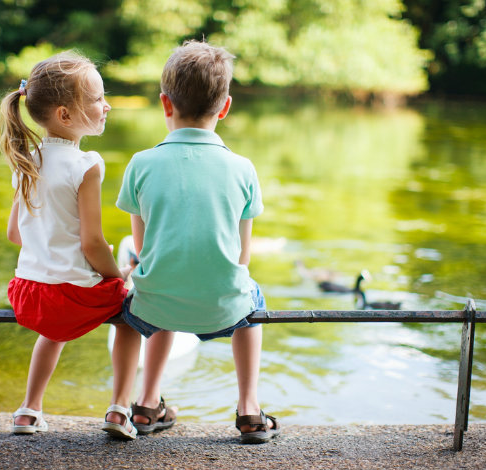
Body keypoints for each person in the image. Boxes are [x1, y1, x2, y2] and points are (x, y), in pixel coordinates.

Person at [111, 40, 280, 444]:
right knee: (252, 295)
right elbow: (242, 255)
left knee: (160, 278)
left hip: (157, 304)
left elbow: (144, 250)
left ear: (165, 104)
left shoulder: (141, 163)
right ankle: (249, 409)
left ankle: (147, 404)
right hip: (224, 306)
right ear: (225, 107)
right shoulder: (243, 168)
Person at [0, 51, 140, 439]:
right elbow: (93, 243)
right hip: (69, 298)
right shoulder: (86, 164)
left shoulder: (25, 160)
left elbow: (16, 235)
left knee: (55, 325)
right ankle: (119, 409)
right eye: (97, 99)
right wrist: (119, 277)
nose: (106, 104)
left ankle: (28, 410)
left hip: (28, 296)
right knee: (132, 314)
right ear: (65, 115)